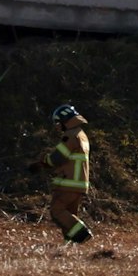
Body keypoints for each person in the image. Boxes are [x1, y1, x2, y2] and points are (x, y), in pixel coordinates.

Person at [40, 104, 93, 244]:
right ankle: (69, 244)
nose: (58, 127)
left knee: (57, 211)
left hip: (68, 182)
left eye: (58, 123)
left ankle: (83, 233)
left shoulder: (70, 135)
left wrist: (44, 160)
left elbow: (57, 157)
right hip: (79, 184)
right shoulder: (82, 135)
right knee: (70, 215)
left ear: (65, 120)